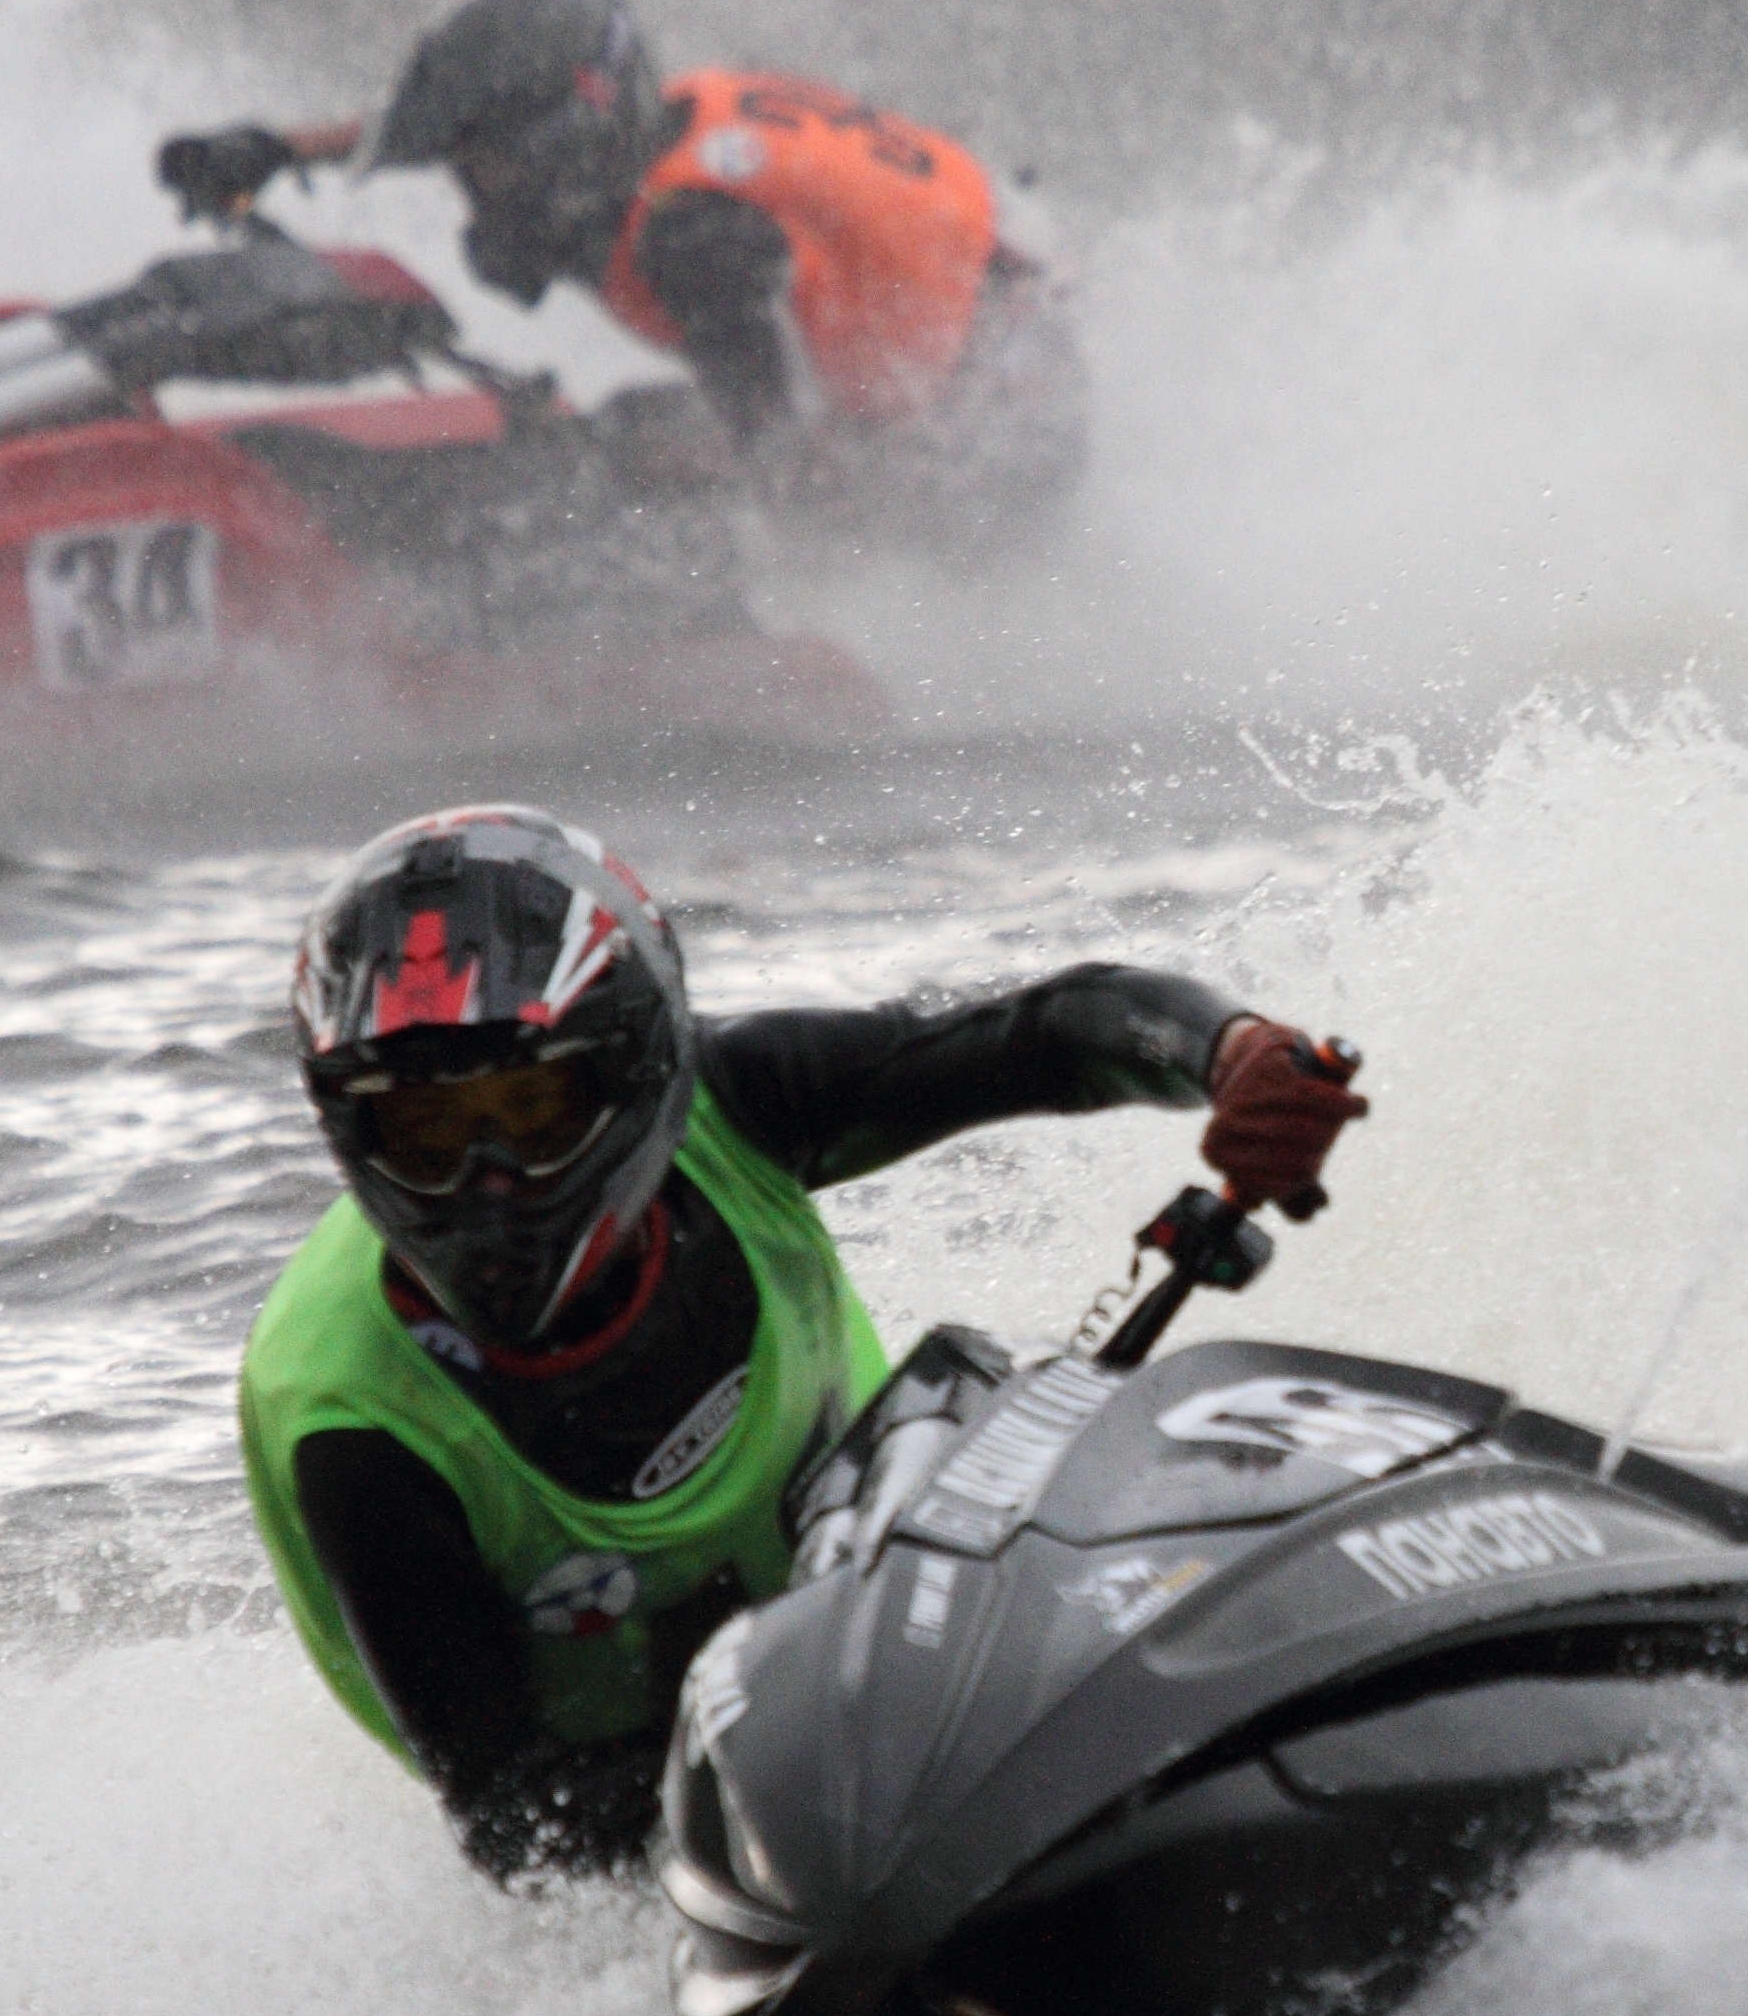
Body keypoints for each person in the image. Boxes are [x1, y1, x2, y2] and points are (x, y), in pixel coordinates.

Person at [238, 804, 1364, 1879]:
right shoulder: (354, 1422)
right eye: (427, 1131)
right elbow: (518, 1833)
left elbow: (1057, 1032)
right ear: (351, 1127)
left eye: (532, 1109)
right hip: (635, 1802)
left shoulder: (738, 1102)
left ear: (636, 1070)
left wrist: (1233, 1054)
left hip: (893, 1600)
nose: (489, 1184)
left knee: (986, 1397)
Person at [154, 0, 1081, 549]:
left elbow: (786, 461)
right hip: (1001, 286)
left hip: (996, 414)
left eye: (487, 173)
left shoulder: (691, 240)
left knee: (631, 477)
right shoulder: (668, 121)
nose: (474, 197)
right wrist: (278, 150)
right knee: (635, 444)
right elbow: (470, 127)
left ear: (569, 140)